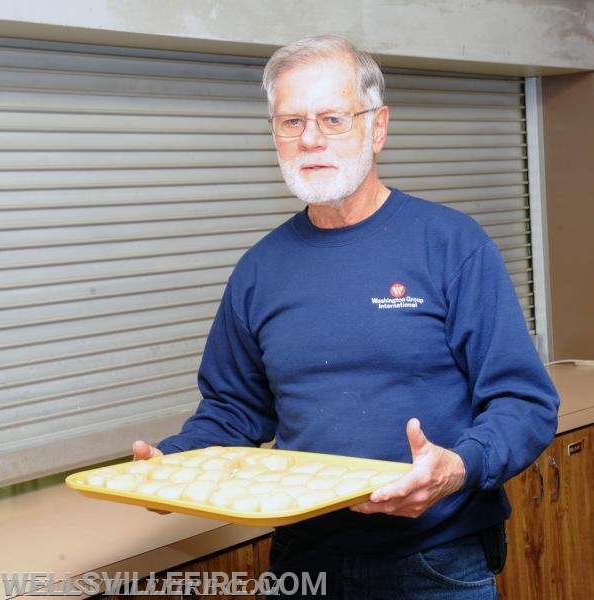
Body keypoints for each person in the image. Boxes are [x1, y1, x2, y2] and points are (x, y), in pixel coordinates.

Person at [133, 35, 559, 599]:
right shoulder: (260, 270)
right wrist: (173, 464)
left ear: (378, 128)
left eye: (333, 118)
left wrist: (457, 467)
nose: (310, 139)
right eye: (291, 122)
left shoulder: (453, 246)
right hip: (302, 561)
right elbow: (234, 412)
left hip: (436, 561)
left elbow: (524, 402)